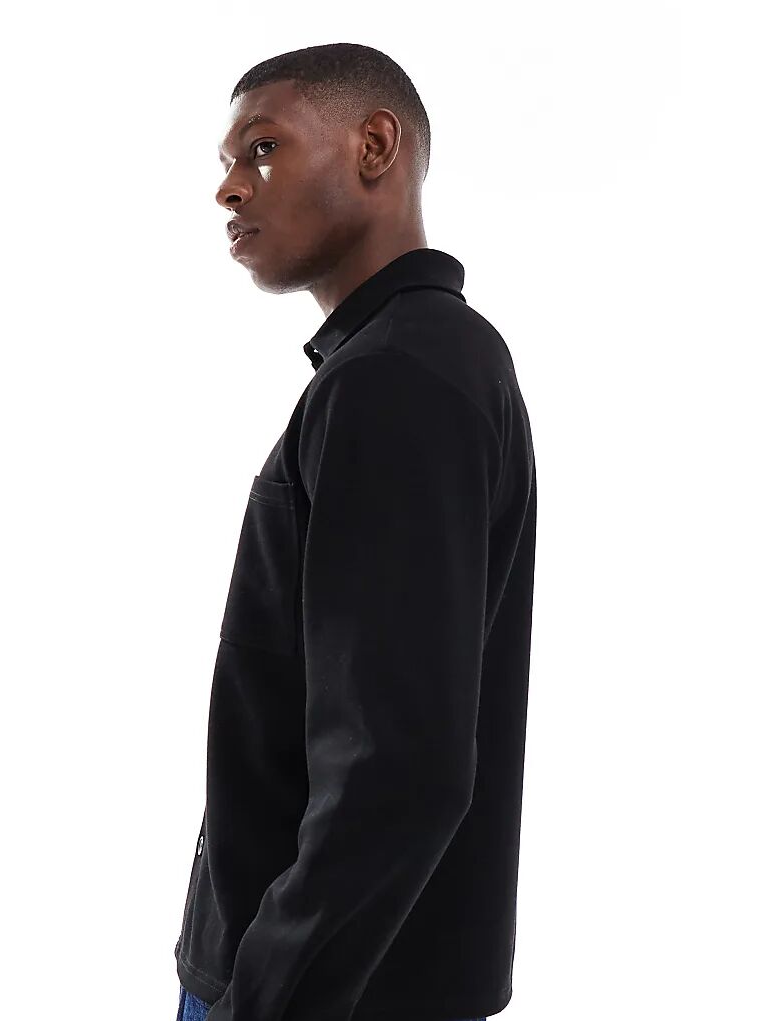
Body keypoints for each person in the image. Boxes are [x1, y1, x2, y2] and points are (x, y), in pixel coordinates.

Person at [173, 42, 536, 1021]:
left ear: (376, 146)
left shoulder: (397, 378)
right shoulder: (413, 361)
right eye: (226, 162)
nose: (228, 188)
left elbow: (397, 768)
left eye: (261, 149)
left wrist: (261, 998)